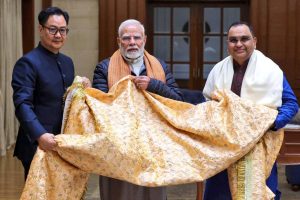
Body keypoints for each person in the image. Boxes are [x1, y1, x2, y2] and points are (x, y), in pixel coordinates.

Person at [202, 21, 299, 200]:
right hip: (224, 146)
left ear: (254, 41)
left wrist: (270, 124)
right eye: (233, 40)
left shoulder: (271, 70)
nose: (239, 44)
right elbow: (207, 103)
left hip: (258, 146)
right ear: (227, 44)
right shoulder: (218, 70)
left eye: (244, 39)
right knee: (219, 195)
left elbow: (291, 104)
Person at [92, 19, 183, 200]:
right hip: (118, 147)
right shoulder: (104, 68)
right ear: (119, 41)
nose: (132, 42)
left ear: (144, 40)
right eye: (126, 38)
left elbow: (178, 101)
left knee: (152, 193)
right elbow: (100, 107)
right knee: (119, 194)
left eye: (136, 37)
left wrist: (154, 84)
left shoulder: (159, 66)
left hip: (153, 146)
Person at [12, 7, 76, 180]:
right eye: (52, 29)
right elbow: (22, 104)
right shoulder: (27, 63)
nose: (58, 35)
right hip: (37, 143)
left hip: (62, 143)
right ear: (40, 29)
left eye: (62, 30)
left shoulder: (68, 62)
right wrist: (40, 135)